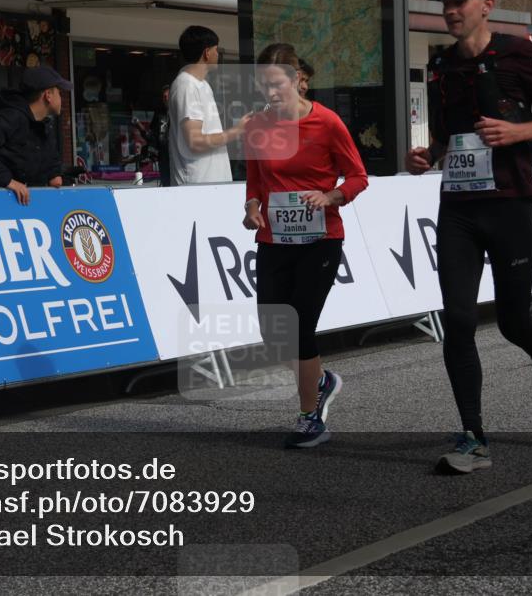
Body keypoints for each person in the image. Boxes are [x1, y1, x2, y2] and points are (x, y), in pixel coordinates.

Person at [406, 0, 532, 473]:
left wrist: (518, 130)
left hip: (510, 204)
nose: (451, 10)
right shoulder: (440, 65)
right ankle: (472, 437)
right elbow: (446, 134)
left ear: (487, 5)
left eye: (461, 2)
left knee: (512, 321)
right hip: (458, 206)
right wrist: (429, 155)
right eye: (446, 4)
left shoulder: (517, 53)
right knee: (457, 321)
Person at [242, 43, 368, 449]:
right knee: (273, 331)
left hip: (320, 240)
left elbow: (358, 176)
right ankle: (323, 381)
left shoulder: (327, 123)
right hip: (274, 240)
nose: (271, 93)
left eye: (277, 84)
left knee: (299, 326)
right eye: (264, 85)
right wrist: (251, 208)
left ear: (298, 80)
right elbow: (256, 181)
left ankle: (309, 415)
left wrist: (331, 197)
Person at [0, 65, 71, 205]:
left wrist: (54, 175)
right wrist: (8, 181)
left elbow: (49, 162)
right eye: (59, 92)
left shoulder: (43, 126)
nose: (62, 98)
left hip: (14, 206)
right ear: (48, 95)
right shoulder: (11, 116)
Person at [169, 25, 253, 185]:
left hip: (212, 184)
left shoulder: (203, 85)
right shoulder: (186, 85)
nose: (218, 54)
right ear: (207, 53)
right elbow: (195, 142)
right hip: (197, 185)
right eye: (216, 49)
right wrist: (236, 131)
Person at [149, 84, 172, 187]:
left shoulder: (179, 111)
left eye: (168, 96)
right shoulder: (159, 113)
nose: (166, 99)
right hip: (163, 154)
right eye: (164, 96)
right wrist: (152, 148)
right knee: (165, 182)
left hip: (175, 155)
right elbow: (153, 132)